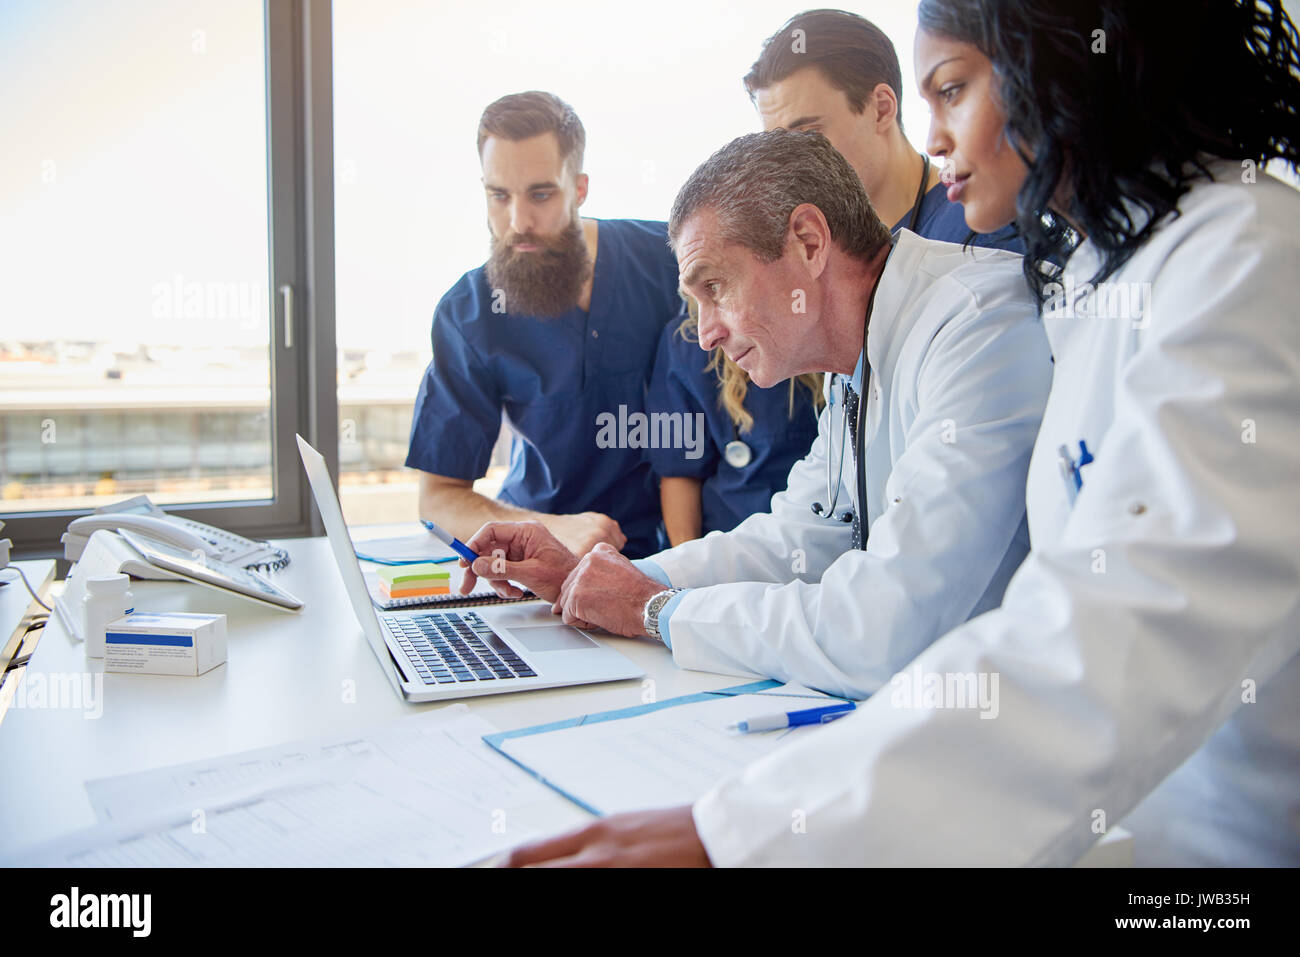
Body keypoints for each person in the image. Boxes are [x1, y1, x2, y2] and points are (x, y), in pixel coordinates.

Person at [496, 0, 1300, 866]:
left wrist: (736, 813)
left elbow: (1097, 628)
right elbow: (797, 536)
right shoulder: (1070, 289)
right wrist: (610, 577)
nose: (934, 136)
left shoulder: (1238, 256)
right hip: (1108, 826)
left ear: (1068, 70)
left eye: (952, 89)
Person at [462, 128, 1054, 702]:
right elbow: (796, 537)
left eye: (715, 285)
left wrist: (653, 611)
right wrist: (597, 578)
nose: (708, 331)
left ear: (808, 242)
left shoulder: (975, 325)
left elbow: (890, 625)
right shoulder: (857, 362)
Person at [645, 9, 1028, 547]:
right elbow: (816, 523)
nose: (785, 161)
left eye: (806, 133)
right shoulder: (829, 290)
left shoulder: (984, 234)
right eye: (772, 141)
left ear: (881, 108)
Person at [405, 91, 681, 559]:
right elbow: (438, 498)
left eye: (540, 194)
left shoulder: (671, 262)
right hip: (537, 553)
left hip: (670, 556)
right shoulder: (469, 313)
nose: (518, 222)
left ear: (579, 188)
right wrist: (550, 531)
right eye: (498, 196)